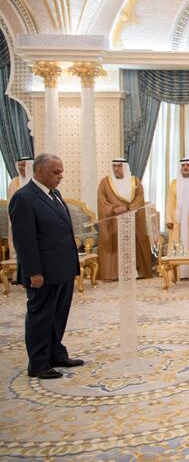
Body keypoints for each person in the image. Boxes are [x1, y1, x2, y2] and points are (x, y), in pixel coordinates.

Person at [9, 153, 82, 379]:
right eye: (55, 172)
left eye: (61, 172)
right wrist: (34, 272)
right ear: (38, 171)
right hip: (43, 272)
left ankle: (55, 353)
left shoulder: (55, 194)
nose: (60, 176)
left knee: (58, 314)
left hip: (63, 269)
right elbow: (24, 241)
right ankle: (38, 363)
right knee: (40, 316)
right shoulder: (24, 198)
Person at [96, 158, 153, 281]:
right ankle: (114, 273)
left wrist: (128, 208)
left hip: (132, 220)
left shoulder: (135, 181)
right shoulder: (105, 183)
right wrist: (113, 208)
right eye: (114, 166)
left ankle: (135, 272)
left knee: (135, 243)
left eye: (119, 166)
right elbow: (102, 202)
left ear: (125, 167)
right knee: (114, 243)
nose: (116, 169)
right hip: (113, 222)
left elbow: (139, 199)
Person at [6, 156, 33, 259]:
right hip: (17, 219)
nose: (21, 168)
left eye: (24, 165)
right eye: (20, 165)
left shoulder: (35, 181)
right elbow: (10, 202)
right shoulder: (14, 182)